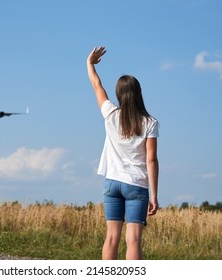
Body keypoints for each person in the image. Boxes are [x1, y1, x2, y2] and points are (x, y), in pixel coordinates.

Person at [87, 46, 159, 260]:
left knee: (111, 238)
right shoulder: (150, 123)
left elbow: (97, 85)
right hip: (137, 184)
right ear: (139, 94)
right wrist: (154, 195)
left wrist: (89, 64)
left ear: (119, 95)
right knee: (133, 240)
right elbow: (151, 160)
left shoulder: (110, 114)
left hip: (111, 183)